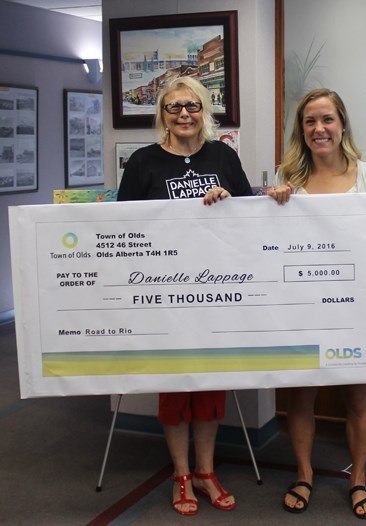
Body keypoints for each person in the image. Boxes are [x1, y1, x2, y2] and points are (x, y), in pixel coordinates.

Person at [269, 88, 366, 520]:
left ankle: (358, 479)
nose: (319, 129)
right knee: (300, 396)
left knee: (358, 396)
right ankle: (304, 474)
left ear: (342, 124)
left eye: (327, 120)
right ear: (302, 130)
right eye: (310, 121)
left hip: (357, 305)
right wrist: (274, 201)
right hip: (304, 304)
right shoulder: (289, 178)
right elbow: (274, 240)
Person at [117, 75, 251, 516]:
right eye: (174, 107)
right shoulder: (143, 162)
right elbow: (124, 228)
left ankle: (206, 471)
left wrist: (228, 200)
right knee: (175, 389)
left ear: (204, 111)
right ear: (163, 115)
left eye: (191, 106)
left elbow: (252, 218)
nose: (183, 115)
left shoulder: (223, 156)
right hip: (165, 297)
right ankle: (180, 474)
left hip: (218, 293)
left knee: (211, 386)